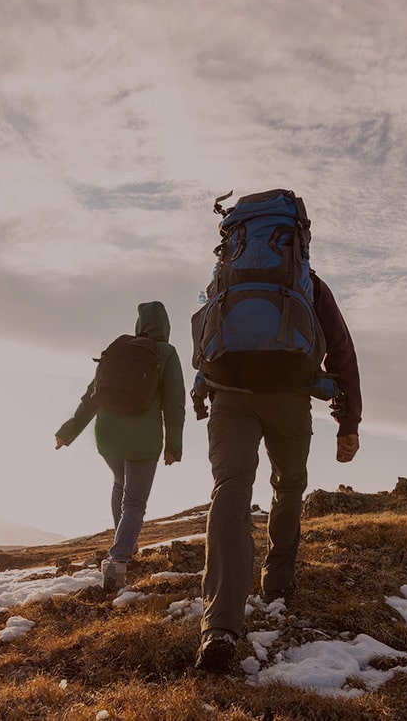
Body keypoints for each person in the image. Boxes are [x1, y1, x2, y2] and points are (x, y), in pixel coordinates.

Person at [193, 270, 362, 674]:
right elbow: (341, 349)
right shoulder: (306, 281)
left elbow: (205, 335)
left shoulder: (227, 276)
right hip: (289, 396)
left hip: (229, 397)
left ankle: (219, 628)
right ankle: (278, 580)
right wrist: (349, 422)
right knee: (288, 484)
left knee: (230, 490)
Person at [55, 301, 185, 591]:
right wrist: (174, 445)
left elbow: (92, 395)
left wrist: (68, 431)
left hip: (108, 437)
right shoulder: (166, 353)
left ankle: (125, 543)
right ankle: (118, 560)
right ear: (165, 326)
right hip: (143, 441)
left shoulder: (119, 350)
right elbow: (174, 404)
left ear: (140, 324)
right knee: (135, 502)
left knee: (119, 484)